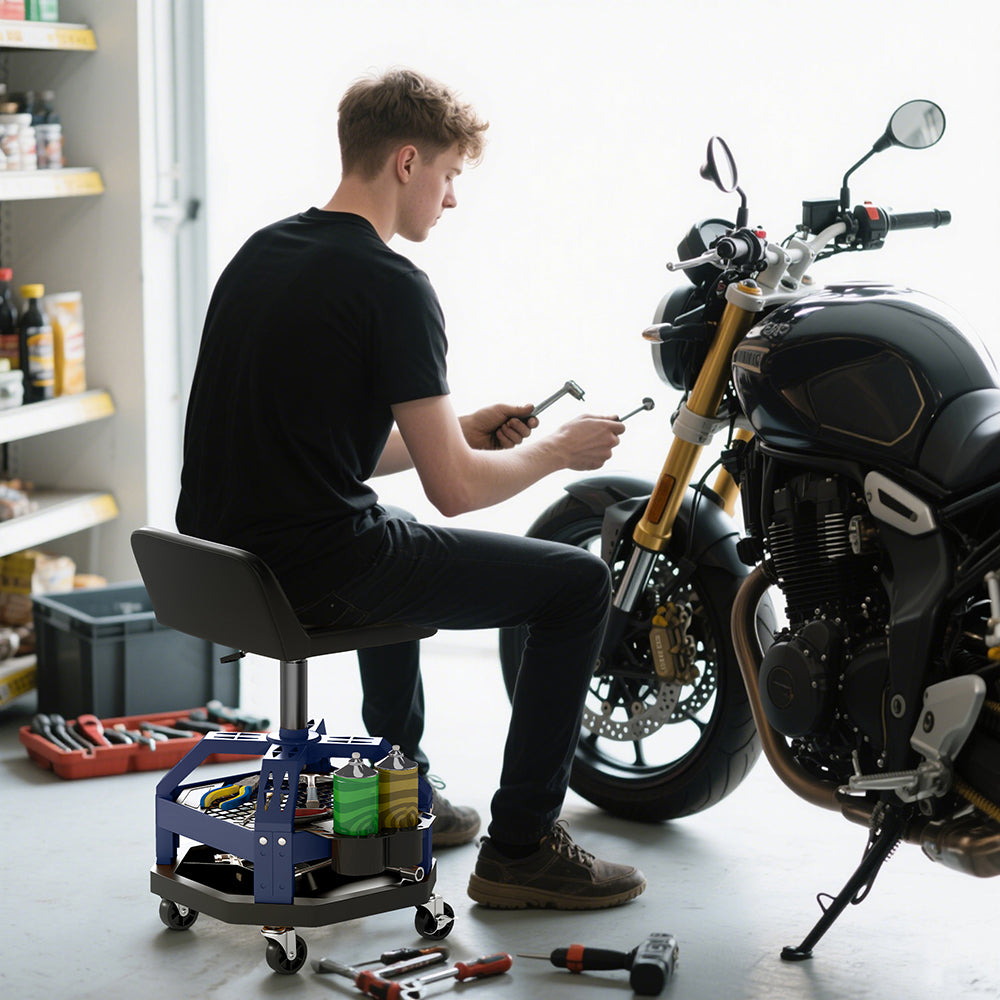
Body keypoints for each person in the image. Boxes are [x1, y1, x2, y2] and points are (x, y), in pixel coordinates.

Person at [176, 67, 645, 910]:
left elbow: (316, 448)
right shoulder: (394, 286)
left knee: (386, 528)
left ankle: (404, 795)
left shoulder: (264, 251)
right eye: (450, 174)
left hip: (220, 562)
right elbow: (458, 494)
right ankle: (524, 847)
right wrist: (560, 453)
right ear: (405, 162)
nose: (452, 199)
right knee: (577, 584)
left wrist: (452, 430)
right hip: (314, 567)